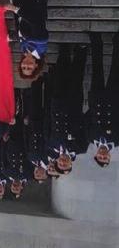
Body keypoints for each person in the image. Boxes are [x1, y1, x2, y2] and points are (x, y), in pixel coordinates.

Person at [45, 45, 88, 175]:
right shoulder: (80, 148)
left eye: (61, 164)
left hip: (57, 106)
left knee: (60, 78)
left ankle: (64, 52)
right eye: (65, 165)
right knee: (76, 78)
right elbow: (85, 129)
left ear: (57, 162)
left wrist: (49, 108)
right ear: (70, 164)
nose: (63, 162)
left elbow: (47, 124)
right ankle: (81, 51)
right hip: (73, 107)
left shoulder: (52, 145)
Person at [86, 32, 119, 167]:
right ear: (109, 156)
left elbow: (87, 120)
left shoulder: (91, 138)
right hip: (114, 99)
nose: (102, 155)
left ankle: (96, 40)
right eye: (105, 157)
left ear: (96, 154)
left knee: (97, 68)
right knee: (116, 68)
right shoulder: (117, 140)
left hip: (97, 101)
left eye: (100, 157)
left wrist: (92, 107)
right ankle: (117, 41)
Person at [23, 78, 49, 183]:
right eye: (40, 175)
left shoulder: (31, 158)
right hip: (45, 125)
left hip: (33, 126)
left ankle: (37, 81)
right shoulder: (49, 160)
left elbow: (26, 140)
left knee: (35, 100)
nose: (38, 173)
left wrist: (26, 126)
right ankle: (48, 78)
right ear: (45, 174)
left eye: (36, 174)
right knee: (47, 99)